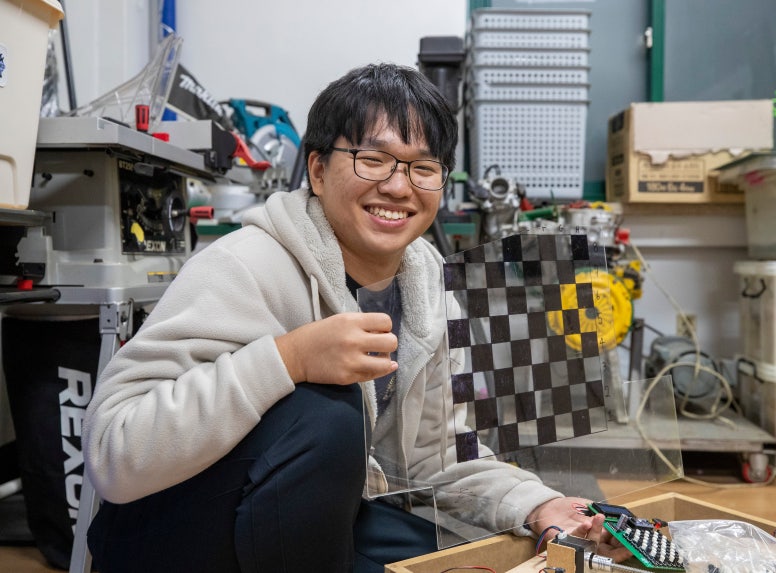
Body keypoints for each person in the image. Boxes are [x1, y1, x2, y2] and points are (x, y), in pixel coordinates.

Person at [82, 62, 629, 572]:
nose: (397, 186)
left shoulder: (428, 289)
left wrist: (540, 504)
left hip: (304, 517)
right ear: (318, 170)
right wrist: (287, 359)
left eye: (423, 167)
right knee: (328, 414)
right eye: (373, 159)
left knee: (461, 552)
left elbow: (432, 461)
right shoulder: (244, 266)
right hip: (161, 537)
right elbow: (114, 456)